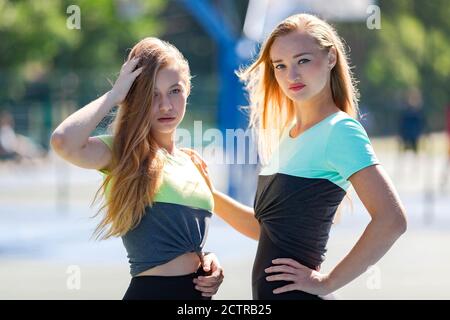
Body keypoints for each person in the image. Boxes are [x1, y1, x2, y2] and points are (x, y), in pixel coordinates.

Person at [185, 13, 407, 300]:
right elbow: (265, 230)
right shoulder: (290, 134)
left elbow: (392, 219)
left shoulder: (340, 130)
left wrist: (327, 282)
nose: (291, 75)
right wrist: (207, 192)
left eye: (303, 60)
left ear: (330, 58)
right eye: (280, 65)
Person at [51, 37, 224, 300]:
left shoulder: (192, 161)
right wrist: (114, 95)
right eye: (152, 95)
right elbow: (63, 141)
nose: (165, 105)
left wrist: (207, 259)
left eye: (175, 91)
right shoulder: (123, 153)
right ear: (136, 99)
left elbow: (182, 236)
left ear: (188, 90)